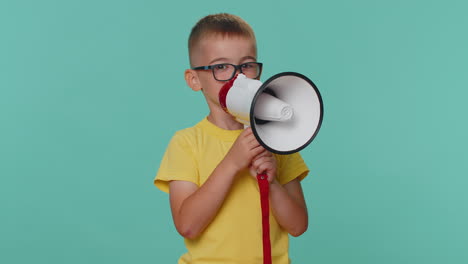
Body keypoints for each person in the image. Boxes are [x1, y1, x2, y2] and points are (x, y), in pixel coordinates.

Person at [154, 13, 310, 264]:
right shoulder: (186, 143)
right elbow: (188, 225)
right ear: (194, 79)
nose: (238, 77)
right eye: (221, 67)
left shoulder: (278, 138)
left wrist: (272, 184)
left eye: (246, 65)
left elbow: (298, 225)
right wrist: (232, 162)